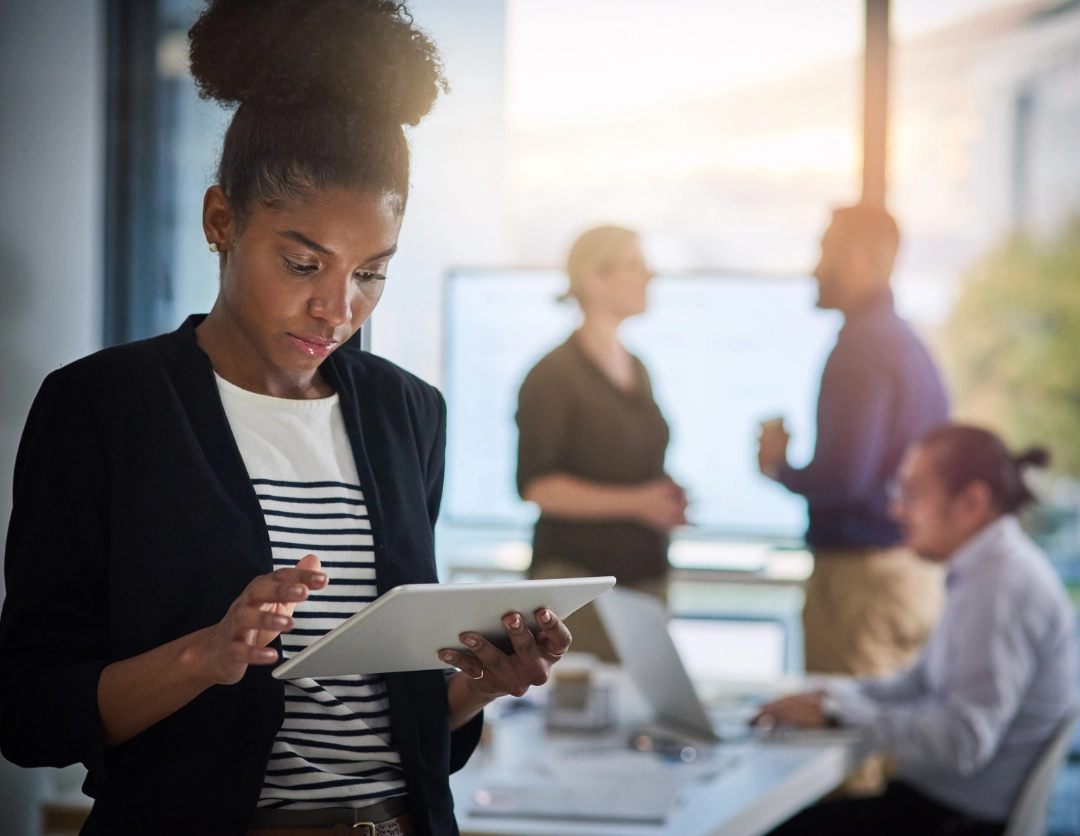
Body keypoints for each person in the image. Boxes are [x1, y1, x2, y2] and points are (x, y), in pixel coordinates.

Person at [0, 3, 571, 835]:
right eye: (304, 263)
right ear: (220, 221)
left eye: (372, 272)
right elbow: (29, 713)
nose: (338, 308)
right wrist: (208, 654)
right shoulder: (105, 407)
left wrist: (481, 681)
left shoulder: (407, 412)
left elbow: (411, 729)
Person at [755, 425, 1079, 836]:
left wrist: (841, 714)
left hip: (958, 820)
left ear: (972, 502)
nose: (895, 511)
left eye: (912, 494)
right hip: (938, 806)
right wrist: (831, 698)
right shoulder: (984, 570)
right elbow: (919, 683)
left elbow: (964, 740)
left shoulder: (1003, 588)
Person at [758, 205, 950, 680]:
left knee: (847, 742)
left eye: (824, 252)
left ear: (858, 260)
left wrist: (779, 465)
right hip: (909, 575)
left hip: (861, 582)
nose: (815, 269)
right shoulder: (908, 343)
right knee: (891, 740)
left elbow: (844, 479)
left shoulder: (861, 349)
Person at [516, 226, 687, 660]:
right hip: (579, 588)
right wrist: (637, 502)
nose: (650, 276)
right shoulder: (552, 375)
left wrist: (663, 498)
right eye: (636, 265)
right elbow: (539, 487)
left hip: (645, 581)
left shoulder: (639, 368)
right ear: (593, 277)